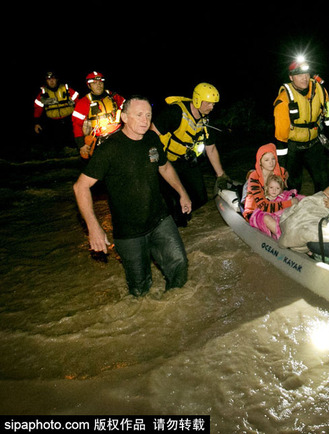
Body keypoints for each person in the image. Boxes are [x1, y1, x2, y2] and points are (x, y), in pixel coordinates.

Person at [73, 96, 192, 297]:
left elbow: (164, 167)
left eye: (148, 115)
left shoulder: (152, 139)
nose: (145, 120)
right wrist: (93, 227)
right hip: (128, 232)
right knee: (140, 289)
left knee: (179, 264)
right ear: (124, 117)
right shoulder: (110, 149)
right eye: (139, 115)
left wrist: (182, 193)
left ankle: (176, 313)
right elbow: (80, 187)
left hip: (159, 219)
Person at [152, 83, 229, 226]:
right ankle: (179, 231)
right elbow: (152, 134)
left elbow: (210, 148)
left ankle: (197, 230)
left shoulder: (205, 118)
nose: (212, 107)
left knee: (200, 198)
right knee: (175, 203)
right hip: (165, 162)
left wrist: (221, 175)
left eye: (213, 104)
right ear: (198, 100)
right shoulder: (175, 112)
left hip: (186, 161)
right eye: (209, 103)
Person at [273, 57, 329, 194]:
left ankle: (325, 209)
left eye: (306, 74)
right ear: (291, 77)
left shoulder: (320, 90)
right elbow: (281, 139)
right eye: (299, 75)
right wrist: (282, 168)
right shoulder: (284, 100)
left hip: (314, 143)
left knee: (324, 179)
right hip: (293, 147)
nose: (304, 78)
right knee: (292, 183)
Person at [243, 143, 299, 236]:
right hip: (257, 209)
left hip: (274, 201)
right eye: (266, 160)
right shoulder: (254, 177)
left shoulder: (279, 170)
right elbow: (264, 206)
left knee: (300, 199)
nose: (271, 162)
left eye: (273, 159)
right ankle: (286, 237)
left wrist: (285, 180)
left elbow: (285, 173)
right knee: (268, 218)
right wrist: (290, 203)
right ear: (260, 162)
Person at [71, 71, 126, 159]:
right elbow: (77, 125)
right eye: (94, 83)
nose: (98, 85)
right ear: (89, 86)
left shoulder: (113, 96)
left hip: (118, 133)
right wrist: (81, 145)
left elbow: (128, 108)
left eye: (100, 82)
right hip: (99, 139)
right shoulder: (84, 102)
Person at [33, 71, 79, 152]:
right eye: (48, 79)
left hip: (69, 120)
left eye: (53, 78)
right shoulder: (43, 94)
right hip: (53, 123)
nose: (51, 81)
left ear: (57, 79)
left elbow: (79, 103)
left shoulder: (67, 89)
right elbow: (37, 108)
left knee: (73, 141)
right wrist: (37, 123)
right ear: (46, 81)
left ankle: (75, 153)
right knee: (56, 145)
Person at [249, 173, 302, 239]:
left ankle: (298, 235)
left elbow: (300, 198)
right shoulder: (263, 200)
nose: (274, 190)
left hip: (287, 221)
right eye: (271, 187)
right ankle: (284, 237)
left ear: (281, 189)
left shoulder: (285, 196)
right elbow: (257, 213)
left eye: (277, 188)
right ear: (267, 187)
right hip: (274, 224)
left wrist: (296, 200)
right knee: (266, 218)